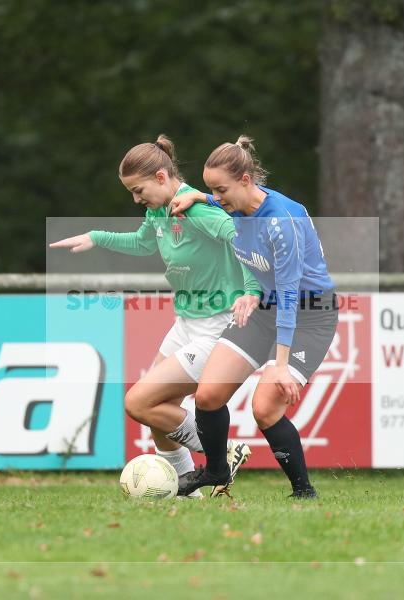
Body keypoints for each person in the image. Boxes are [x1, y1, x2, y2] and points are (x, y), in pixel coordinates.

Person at [49, 135, 257, 497]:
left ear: (161, 177)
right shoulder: (159, 210)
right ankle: (186, 493)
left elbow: (244, 236)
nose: (135, 199)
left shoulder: (197, 210)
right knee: (160, 412)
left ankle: (222, 454)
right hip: (186, 323)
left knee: (139, 403)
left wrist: (251, 289)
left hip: (218, 327)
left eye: (138, 189)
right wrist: (96, 237)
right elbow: (144, 242)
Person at [169, 135, 338, 499]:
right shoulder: (235, 203)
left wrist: (278, 365)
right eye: (212, 189)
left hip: (309, 315)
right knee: (209, 394)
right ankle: (216, 470)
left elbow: (290, 294)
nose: (218, 197)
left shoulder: (280, 220)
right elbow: (217, 198)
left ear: (246, 180)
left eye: (221, 189)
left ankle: (303, 492)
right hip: (264, 310)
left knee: (265, 407)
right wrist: (199, 196)